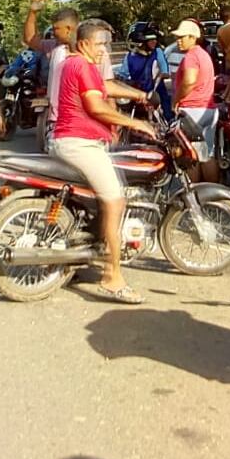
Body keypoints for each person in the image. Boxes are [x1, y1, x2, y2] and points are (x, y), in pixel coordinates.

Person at [50, 19, 154, 304]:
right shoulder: (80, 65)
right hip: (80, 144)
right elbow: (96, 106)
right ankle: (112, 275)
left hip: (78, 142)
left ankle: (90, 249)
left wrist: (142, 95)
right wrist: (137, 124)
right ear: (83, 43)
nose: (104, 50)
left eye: (107, 44)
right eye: (100, 44)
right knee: (115, 200)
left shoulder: (82, 65)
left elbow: (105, 87)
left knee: (104, 196)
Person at [21, 0, 130, 145]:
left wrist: (112, 126)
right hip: (59, 125)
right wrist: (33, 11)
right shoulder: (55, 48)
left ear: (69, 28)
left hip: (87, 126)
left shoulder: (97, 51)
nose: (54, 32)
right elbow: (30, 39)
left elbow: (107, 90)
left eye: (56, 29)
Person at [172, 19, 220, 183]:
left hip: (192, 111)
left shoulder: (191, 57)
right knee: (207, 155)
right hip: (208, 110)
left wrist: (176, 100)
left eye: (182, 37)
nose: (179, 40)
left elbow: (189, 81)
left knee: (191, 156)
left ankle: (196, 197)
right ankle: (213, 194)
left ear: (193, 37)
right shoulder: (203, 54)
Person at [118, 24, 171, 117]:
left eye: (155, 39)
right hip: (137, 95)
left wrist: (159, 77)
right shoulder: (130, 56)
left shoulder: (157, 52)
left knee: (166, 117)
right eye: (151, 40)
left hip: (156, 94)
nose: (154, 42)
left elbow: (165, 71)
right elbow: (123, 75)